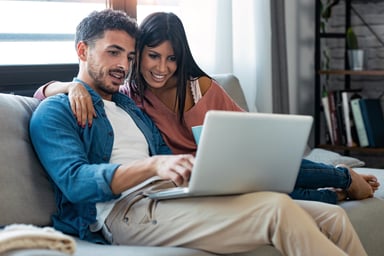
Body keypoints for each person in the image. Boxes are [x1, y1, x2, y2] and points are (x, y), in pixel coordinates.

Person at [29, 9, 369, 255]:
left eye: (129, 56)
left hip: (171, 195)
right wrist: (154, 166)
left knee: (332, 216)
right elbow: (76, 181)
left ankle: (335, 183)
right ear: (83, 51)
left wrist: (180, 174)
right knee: (275, 210)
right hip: (125, 212)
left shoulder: (130, 104)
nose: (124, 65)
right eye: (113, 52)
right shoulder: (56, 111)